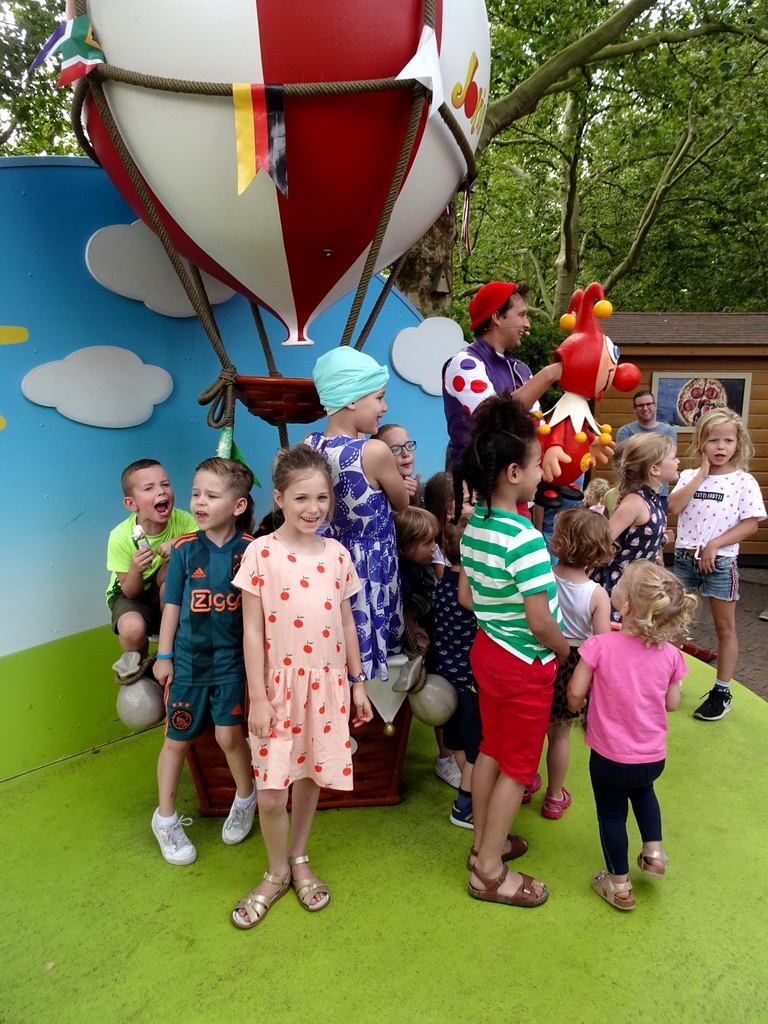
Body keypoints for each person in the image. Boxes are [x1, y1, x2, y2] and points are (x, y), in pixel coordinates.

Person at [230, 446, 373, 928]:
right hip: (275, 691)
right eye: (300, 499)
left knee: (311, 775)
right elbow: (251, 631)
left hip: (327, 687)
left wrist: (356, 685)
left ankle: (297, 857)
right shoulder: (260, 552)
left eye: (321, 498)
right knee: (271, 791)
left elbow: (348, 623)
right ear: (279, 498)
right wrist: (258, 697)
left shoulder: (337, 555)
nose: (313, 508)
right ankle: (274, 873)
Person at [454, 391, 570, 909]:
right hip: (525, 663)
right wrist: (564, 649)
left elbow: (465, 594)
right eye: (535, 459)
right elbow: (541, 619)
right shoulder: (524, 537)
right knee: (519, 767)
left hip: (489, 652)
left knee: (491, 751)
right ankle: (491, 872)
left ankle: (485, 845)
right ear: (513, 474)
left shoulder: (475, 524)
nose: (543, 466)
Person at [567, 560, 696, 911]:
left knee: (611, 815)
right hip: (652, 756)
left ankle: (619, 883)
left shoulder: (600, 646)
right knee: (644, 793)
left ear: (625, 607)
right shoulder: (670, 655)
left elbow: (576, 693)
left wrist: (578, 707)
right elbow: (671, 703)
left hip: (609, 756)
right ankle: (653, 851)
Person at [151, 458, 256, 866]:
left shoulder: (252, 552)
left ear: (238, 505)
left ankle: (246, 799)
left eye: (211, 495)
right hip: (188, 667)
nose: (199, 501)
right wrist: (163, 656)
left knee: (230, 738)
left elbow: (256, 617)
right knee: (176, 741)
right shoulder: (182, 550)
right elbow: (172, 606)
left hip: (232, 667)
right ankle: (165, 819)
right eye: (196, 492)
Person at [305, 347, 409, 683]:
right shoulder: (373, 450)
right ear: (351, 400)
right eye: (379, 398)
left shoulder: (310, 444)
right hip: (369, 568)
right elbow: (401, 502)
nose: (385, 407)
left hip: (328, 562)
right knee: (371, 640)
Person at [668, 408, 766, 721]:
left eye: (727, 440)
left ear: (738, 444)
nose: (720, 446)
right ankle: (671, 680)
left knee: (725, 628)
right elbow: (674, 506)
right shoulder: (687, 476)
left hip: (721, 562)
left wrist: (715, 544)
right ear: (701, 444)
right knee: (674, 623)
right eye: (713, 440)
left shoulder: (743, 481)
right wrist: (701, 473)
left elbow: (751, 524)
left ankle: (721, 691)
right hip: (684, 559)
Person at [442, 281, 562, 467]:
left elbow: (536, 428)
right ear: (497, 317)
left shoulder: (522, 369)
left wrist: (572, 443)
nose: (527, 324)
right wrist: (548, 375)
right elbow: (493, 417)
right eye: (521, 315)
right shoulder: (463, 363)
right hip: (470, 487)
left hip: (515, 484)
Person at [544, 507, 614, 820]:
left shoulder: (542, 577)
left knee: (533, 729)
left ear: (557, 542)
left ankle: (525, 781)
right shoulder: (597, 594)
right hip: (575, 668)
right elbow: (601, 646)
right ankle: (554, 796)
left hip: (540, 657)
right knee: (559, 736)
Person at [106, 459, 197, 672]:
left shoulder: (184, 521)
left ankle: (173, 653)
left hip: (167, 591)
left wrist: (178, 544)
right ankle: (140, 670)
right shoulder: (119, 537)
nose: (161, 492)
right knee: (131, 628)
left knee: (169, 584)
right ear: (132, 504)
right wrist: (136, 569)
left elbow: (202, 543)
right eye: (149, 488)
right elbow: (130, 592)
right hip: (130, 593)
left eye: (165, 484)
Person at [591, 432, 679, 622]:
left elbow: (636, 535)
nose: (678, 461)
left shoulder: (650, 499)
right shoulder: (635, 502)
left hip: (637, 585)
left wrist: (661, 541)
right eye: (673, 457)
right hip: (618, 585)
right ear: (655, 469)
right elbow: (602, 539)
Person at [434, 515, 482, 828]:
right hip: (470, 684)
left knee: (462, 745)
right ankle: (465, 807)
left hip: (447, 680)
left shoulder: (441, 584)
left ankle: (474, 794)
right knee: (479, 749)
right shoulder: (472, 593)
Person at [616, 391, 677, 511]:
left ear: (655, 405)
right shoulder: (625, 431)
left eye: (648, 404)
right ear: (634, 409)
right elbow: (622, 462)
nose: (645, 408)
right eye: (640, 405)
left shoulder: (669, 431)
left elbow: (668, 458)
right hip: (632, 491)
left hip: (660, 493)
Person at [372, 423, 423, 506]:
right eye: (395, 450)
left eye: (409, 445)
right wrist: (399, 498)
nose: (406, 453)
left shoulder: (426, 491)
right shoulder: (376, 499)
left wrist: (414, 501)